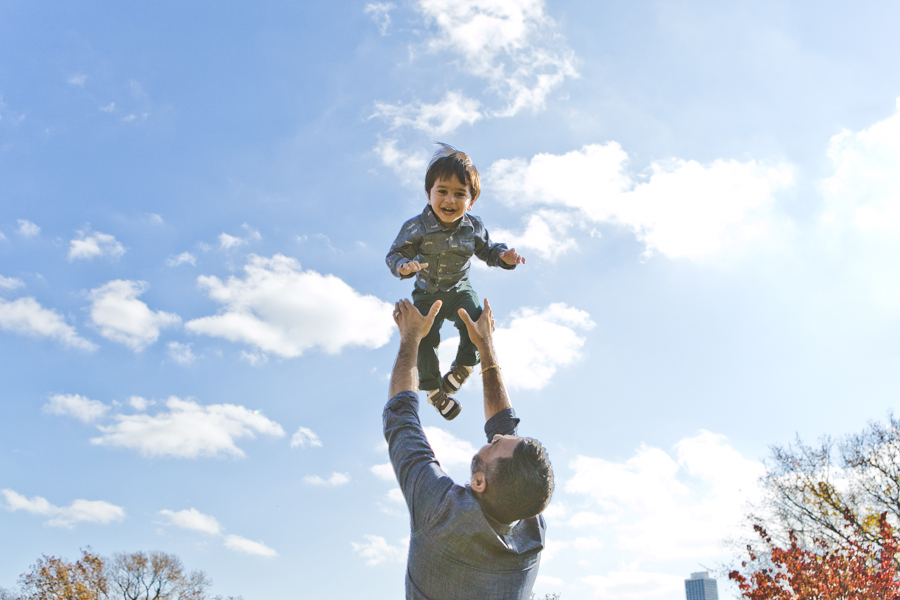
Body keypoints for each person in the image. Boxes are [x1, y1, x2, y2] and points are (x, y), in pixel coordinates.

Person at [384, 297, 554, 600]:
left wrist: (411, 335)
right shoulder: (529, 522)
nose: (498, 437)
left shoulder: (442, 515)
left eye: (497, 444)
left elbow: (401, 418)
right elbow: (504, 426)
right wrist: (485, 344)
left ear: (479, 482)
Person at [386, 143, 525, 420]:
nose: (450, 200)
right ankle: (434, 390)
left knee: (477, 323)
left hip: (460, 288)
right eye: (443, 192)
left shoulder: (474, 227)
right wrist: (404, 266)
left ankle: (463, 366)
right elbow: (396, 253)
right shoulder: (416, 227)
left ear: (470, 201)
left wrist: (504, 257)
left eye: (459, 194)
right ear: (429, 195)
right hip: (427, 292)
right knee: (423, 338)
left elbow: (488, 250)